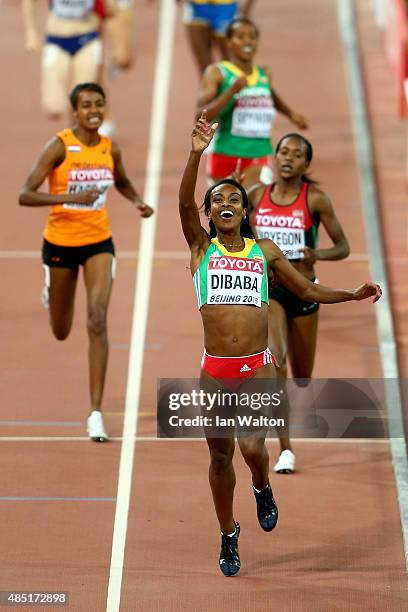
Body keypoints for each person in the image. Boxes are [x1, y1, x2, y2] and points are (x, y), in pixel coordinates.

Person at [179, 111, 381, 576]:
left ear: (245, 211)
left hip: (258, 367)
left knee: (251, 448)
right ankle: (229, 534)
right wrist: (196, 153)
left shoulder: (264, 251)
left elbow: (306, 290)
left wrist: (349, 293)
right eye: (217, 200)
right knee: (217, 455)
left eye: (234, 197)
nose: (225, 202)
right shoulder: (200, 250)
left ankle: (262, 485)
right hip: (215, 370)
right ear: (209, 214)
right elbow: (184, 205)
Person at [19, 82, 153, 441]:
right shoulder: (60, 146)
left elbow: (121, 181)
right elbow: (25, 194)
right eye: (86, 105)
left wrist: (137, 200)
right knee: (61, 331)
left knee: (97, 320)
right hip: (61, 243)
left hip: (99, 243)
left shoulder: (111, 148)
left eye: (99, 104)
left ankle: (95, 411)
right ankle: (52, 287)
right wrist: (69, 196)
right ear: (74, 111)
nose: (93, 110)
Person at [244, 133, 350, 473]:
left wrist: (317, 253)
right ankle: (285, 448)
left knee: (302, 376)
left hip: (304, 289)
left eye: (296, 154)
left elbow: (343, 247)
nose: (288, 157)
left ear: (306, 164)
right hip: (270, 290)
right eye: (283, 151)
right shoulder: (257, 196)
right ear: (275, 157)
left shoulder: (315, 199)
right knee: (277, 362)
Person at [196, 17, 308, 184]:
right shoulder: (218, 73)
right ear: (228, 42)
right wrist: (231, 91)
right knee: (225, 208)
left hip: (258, 154)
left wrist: (290, 114)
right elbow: (200, 116)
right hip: (225, 154)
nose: (247, 41)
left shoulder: (263, 74)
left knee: (253, 205)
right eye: (240, 37)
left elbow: (269, 94)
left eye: (252, 37)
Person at [22, 0, 117, 119]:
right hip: (56, 41)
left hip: (86, 40)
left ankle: (82, 129)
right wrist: (31, 33)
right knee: (53, 108)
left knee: (81, 99)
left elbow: (112, 11)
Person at [179, 1, 256, 74]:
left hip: (225, 7)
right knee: (205, 69)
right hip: (197, 7)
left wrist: (247, 8)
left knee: (232, 65)